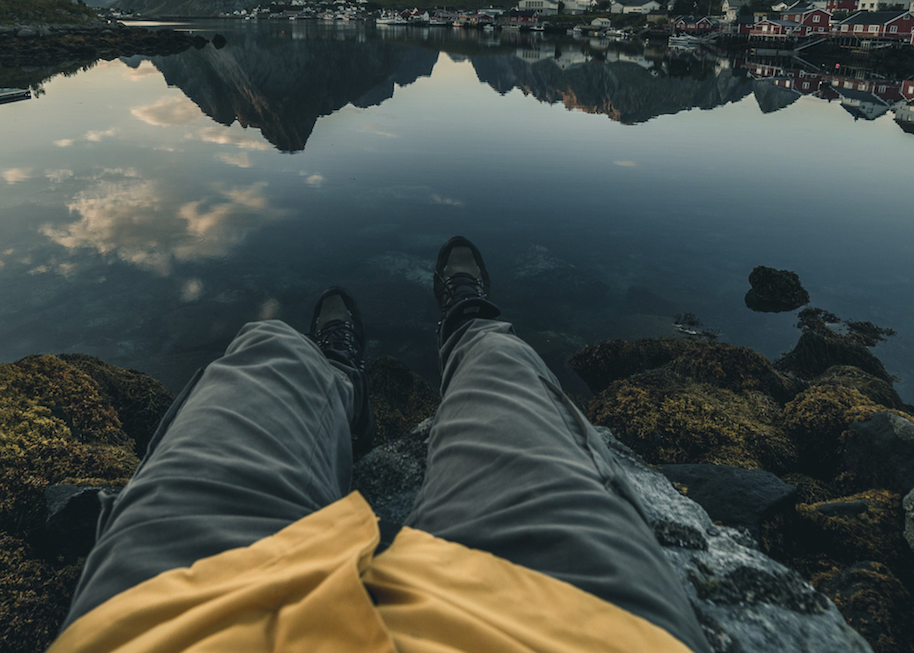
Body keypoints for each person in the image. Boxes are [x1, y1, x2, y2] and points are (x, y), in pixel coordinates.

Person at [50, 236, 710, 653]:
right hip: (547, 624)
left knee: (265, 348)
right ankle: (466, 325)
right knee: (501, 364)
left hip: (189, 619)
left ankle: (342, 381)